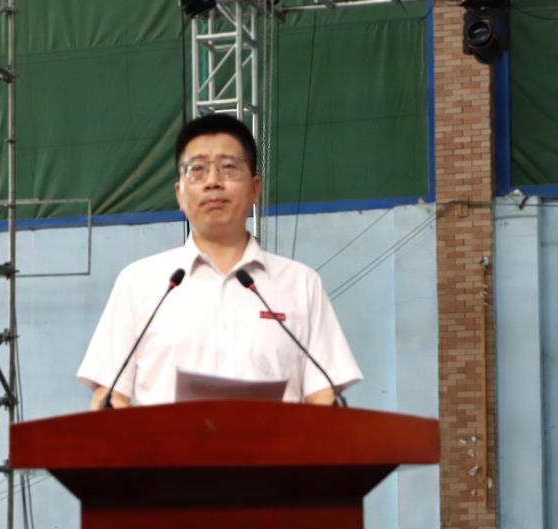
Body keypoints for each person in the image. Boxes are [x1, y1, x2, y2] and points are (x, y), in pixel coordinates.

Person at [77, 113, 361, 408]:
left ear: (255, 189)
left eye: (228, 167)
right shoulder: (139, 282)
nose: (213, 181)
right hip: (165, 441)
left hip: (275, 441)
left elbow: (323, 397)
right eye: (197, 170)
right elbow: (110, 395)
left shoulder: (300, 283)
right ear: (179, 193)